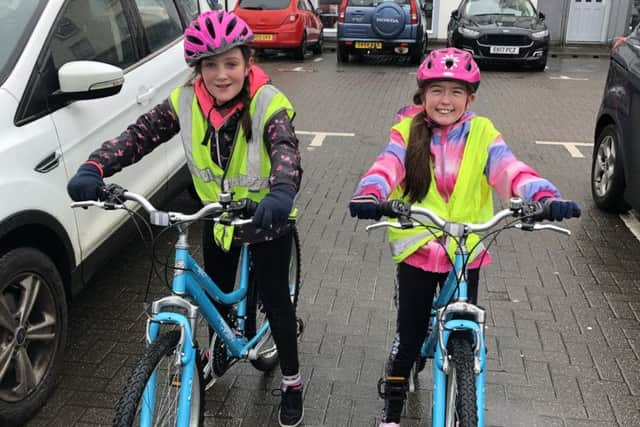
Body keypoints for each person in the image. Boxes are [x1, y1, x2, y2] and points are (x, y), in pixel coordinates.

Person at [66, 10, 304, 427]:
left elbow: (284, 151)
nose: (220, 74)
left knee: (278, 304)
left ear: (248, 61)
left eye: (230, 62)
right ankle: (219, 350)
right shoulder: (185, 101)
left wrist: (281, 191)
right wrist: (95, 167)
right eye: (209, 65)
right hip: (216, 216)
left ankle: (291, 381)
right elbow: (138, 136)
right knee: (213, 296)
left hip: (267, 218)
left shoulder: (269, 102)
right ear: (198, 69)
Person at [348, 48, 580, 427]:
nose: (445, 100)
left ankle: (464, 383)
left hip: (465, 250)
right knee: (408, 339)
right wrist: (371, 194)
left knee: (464, 326)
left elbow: (510, 168)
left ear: (470, 98)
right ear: (422, 95)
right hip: (419, 246)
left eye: (457, 92)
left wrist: (543, 196)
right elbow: (387, 164)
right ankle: (391, 409)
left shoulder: (483, 133)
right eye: (437, 90)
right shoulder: (407, 132)